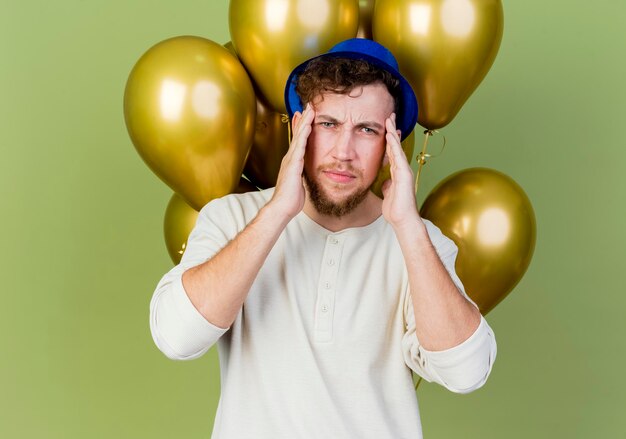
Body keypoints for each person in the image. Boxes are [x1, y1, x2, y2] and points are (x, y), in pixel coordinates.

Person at [150, 38, 496, 438]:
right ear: (300, 128)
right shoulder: (232, 218)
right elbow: (176, 337)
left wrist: (407, 227)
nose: (343, 151)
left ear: (391, 145)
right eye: (329, 124)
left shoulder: (420, 242)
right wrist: (278, 211)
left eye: (367, 130)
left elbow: (466, 372)